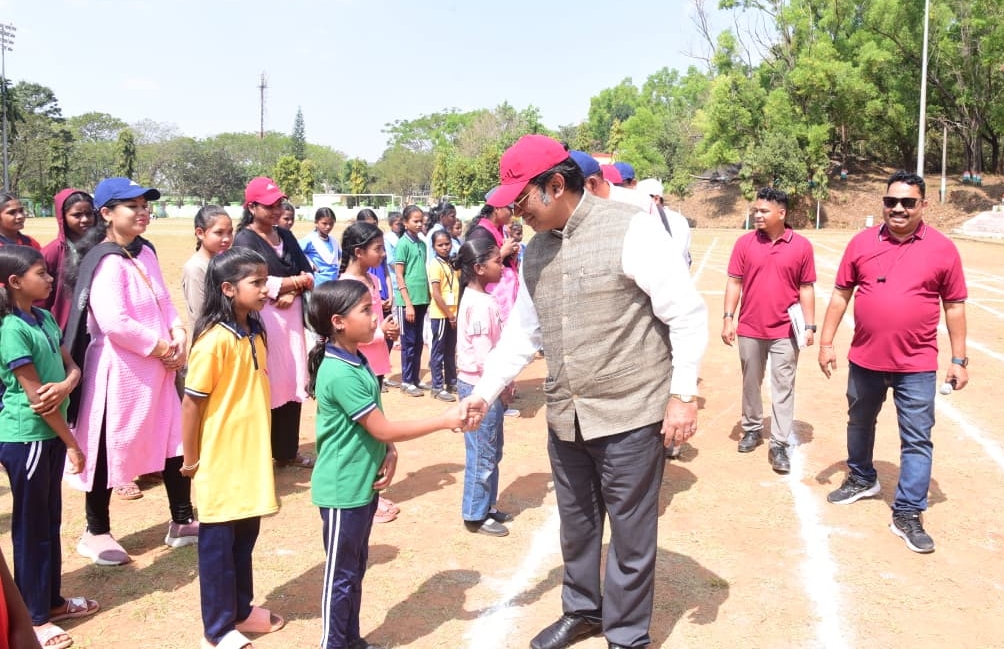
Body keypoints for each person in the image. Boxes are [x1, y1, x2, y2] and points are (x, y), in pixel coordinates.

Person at [459, 135, 708, 649]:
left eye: (521, 201)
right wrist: (485, 391)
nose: (516, 214)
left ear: (556, 185)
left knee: (631, 534)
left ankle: (627, 634)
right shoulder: (535, 253)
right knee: (577, 525)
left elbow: (685, 313)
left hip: (630, 414)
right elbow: (523, 333)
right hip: (567, 414)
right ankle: (582, 611)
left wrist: (683, 394)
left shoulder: (630, 229)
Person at [305, 280, 464, 649]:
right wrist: (443, 420)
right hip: (342, 489)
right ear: (338, 322)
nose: (375, 315)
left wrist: (388, 449)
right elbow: (382, 426)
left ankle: (351, 640)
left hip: (361, 486)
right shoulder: (340, 371)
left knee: (354, 570)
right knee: (341, 575)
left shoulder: (356, 358)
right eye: (365, 310)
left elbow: (375, 422)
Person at [818, 170, 968, 554]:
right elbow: (840, 295)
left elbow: (954, 306)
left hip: (916, 364)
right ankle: (861, 477)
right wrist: (827, 342)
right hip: (865, 359)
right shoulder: (861, 243)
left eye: (907, 202)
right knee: (859, 422)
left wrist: (959, 359)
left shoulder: (943, 249)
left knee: (916, 438)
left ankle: (908, 511)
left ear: (923, 205)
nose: (898, 208)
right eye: (891, 201)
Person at [64, 177, 197, 566]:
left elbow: (164, 302)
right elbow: (114, 322)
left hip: (158, 368)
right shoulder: (105, 260)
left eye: (144, 205)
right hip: (118, 372)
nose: (142, 212)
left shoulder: (146, 251)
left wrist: (178, 335)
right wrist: (163, 347)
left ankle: (182, 519)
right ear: (106, 213)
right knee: (107, 445)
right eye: (132, 206)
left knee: (173, 440)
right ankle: (95, 531)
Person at [180, 248, 285, 649]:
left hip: (251, 455)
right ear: (227, 289)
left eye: (265, 280)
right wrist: (192, 459)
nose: (265, 289)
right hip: (220, 459)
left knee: (245, 536)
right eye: (255, 282)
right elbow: (192, 403)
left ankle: (240, 609)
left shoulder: (255, 330)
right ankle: (218, 628)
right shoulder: (213, 342)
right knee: (219, 547)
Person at [0, 245, 100, 649]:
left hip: (50, 436)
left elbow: (70, 365)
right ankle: (34, 616)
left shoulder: (42, 317)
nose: (50, 278)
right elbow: (39, 402)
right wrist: (73, 444)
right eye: (40, 273)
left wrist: (67, 383)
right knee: (31, 529)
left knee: (49, 521)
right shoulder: (11, 330)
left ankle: (51, 601)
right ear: (14, 282)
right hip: (29, 438)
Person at [722, 188, 816, 474]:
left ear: (781, 213)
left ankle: (779, 443)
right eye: (756, 210)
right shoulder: (744, 243)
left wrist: (809, 325)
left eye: (764, 211)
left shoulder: (801, 246)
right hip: (750, 327)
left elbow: (806, 288)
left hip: (786, 331)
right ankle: (752, 428)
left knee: (783, 385)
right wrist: (728, 318)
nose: (757, 215)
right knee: (751, 381)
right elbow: (734, 282)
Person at [232, 177, 315, 468]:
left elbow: (309, 273)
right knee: (268, 382)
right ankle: (260, 454)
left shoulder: (286, 236)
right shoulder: (244, 240)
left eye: (279, 204)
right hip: (264, 320)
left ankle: (287, 451)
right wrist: (293, 283)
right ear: (251, 207)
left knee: (292, 378)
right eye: (269, 205)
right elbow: (254, 282)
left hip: (291, 323)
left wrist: (291, 290)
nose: (276, 210)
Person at [339, 222, 403, 524]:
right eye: (377, 249)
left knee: (374, 428)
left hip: (374, 361)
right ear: (358, 251)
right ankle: (365, 495)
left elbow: (374, 320)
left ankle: (373, 492)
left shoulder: (372, 280)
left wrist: (385, 328)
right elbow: (349, 332)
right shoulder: (348, 285)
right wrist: (381, 332)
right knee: (365, 432)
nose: (382, 254)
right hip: (357, 362)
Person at [454, 238, 513, 536]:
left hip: (486, 386)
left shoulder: (482, 298)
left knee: (492, 449)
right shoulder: (478, 305)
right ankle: (475, 514)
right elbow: (482, 356)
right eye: (497, 261)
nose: (501, 266)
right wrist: (500, 385)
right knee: (482, 453)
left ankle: (487, 505)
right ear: (478, 268)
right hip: (480, 389)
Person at [41, 189, 96, 330]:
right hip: (65, 327)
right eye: (77, 215)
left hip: (96, 323)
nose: (85, 219)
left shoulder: (100, 246)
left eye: (89, 214)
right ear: (63, 217)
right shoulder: (52, 252)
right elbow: (40, 298)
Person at [393, 205, 431, 397]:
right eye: (415, 221)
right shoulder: (402, 244)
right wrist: (407, 303)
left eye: (421, 221)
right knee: (408, 342)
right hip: (407, 301)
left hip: (422, 299)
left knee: (418, 341)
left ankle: (415, 378)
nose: (419, 224)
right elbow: (399, 275)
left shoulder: (422, 244)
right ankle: (407, 381)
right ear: (405, 223)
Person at [181, 205, 234, 324]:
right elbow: (202, 313)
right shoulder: (195, 268)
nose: (226, 239)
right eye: (219, 233)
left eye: (230, 232)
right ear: (200, 233)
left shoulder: (225, 262)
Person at [427, 230, 459, 403]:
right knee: (438, 351)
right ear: (434, 247)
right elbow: (436, 294)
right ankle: (437, 387)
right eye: (440, 245)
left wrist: (454, 314)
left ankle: (451, 382)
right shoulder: (435, 265)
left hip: (453, 313)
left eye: (447, 244)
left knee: (450, 350)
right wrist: (449, 314)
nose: (445, 247)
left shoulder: (451, 264)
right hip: (441, 314)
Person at [635, 178, 691, 269]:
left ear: (656, 199)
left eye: (640, 198)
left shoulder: (677, 221)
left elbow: (675, 254)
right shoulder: (641, 219)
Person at [300, 207, 340, 285]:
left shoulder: (334, 241)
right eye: (324, 223)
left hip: (334, 283)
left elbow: (337, 257)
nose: (328, 227)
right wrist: (310, 264)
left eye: (331, 224)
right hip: (318, 283)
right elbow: (294, 252)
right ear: (316, 222)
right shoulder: (310, 240)